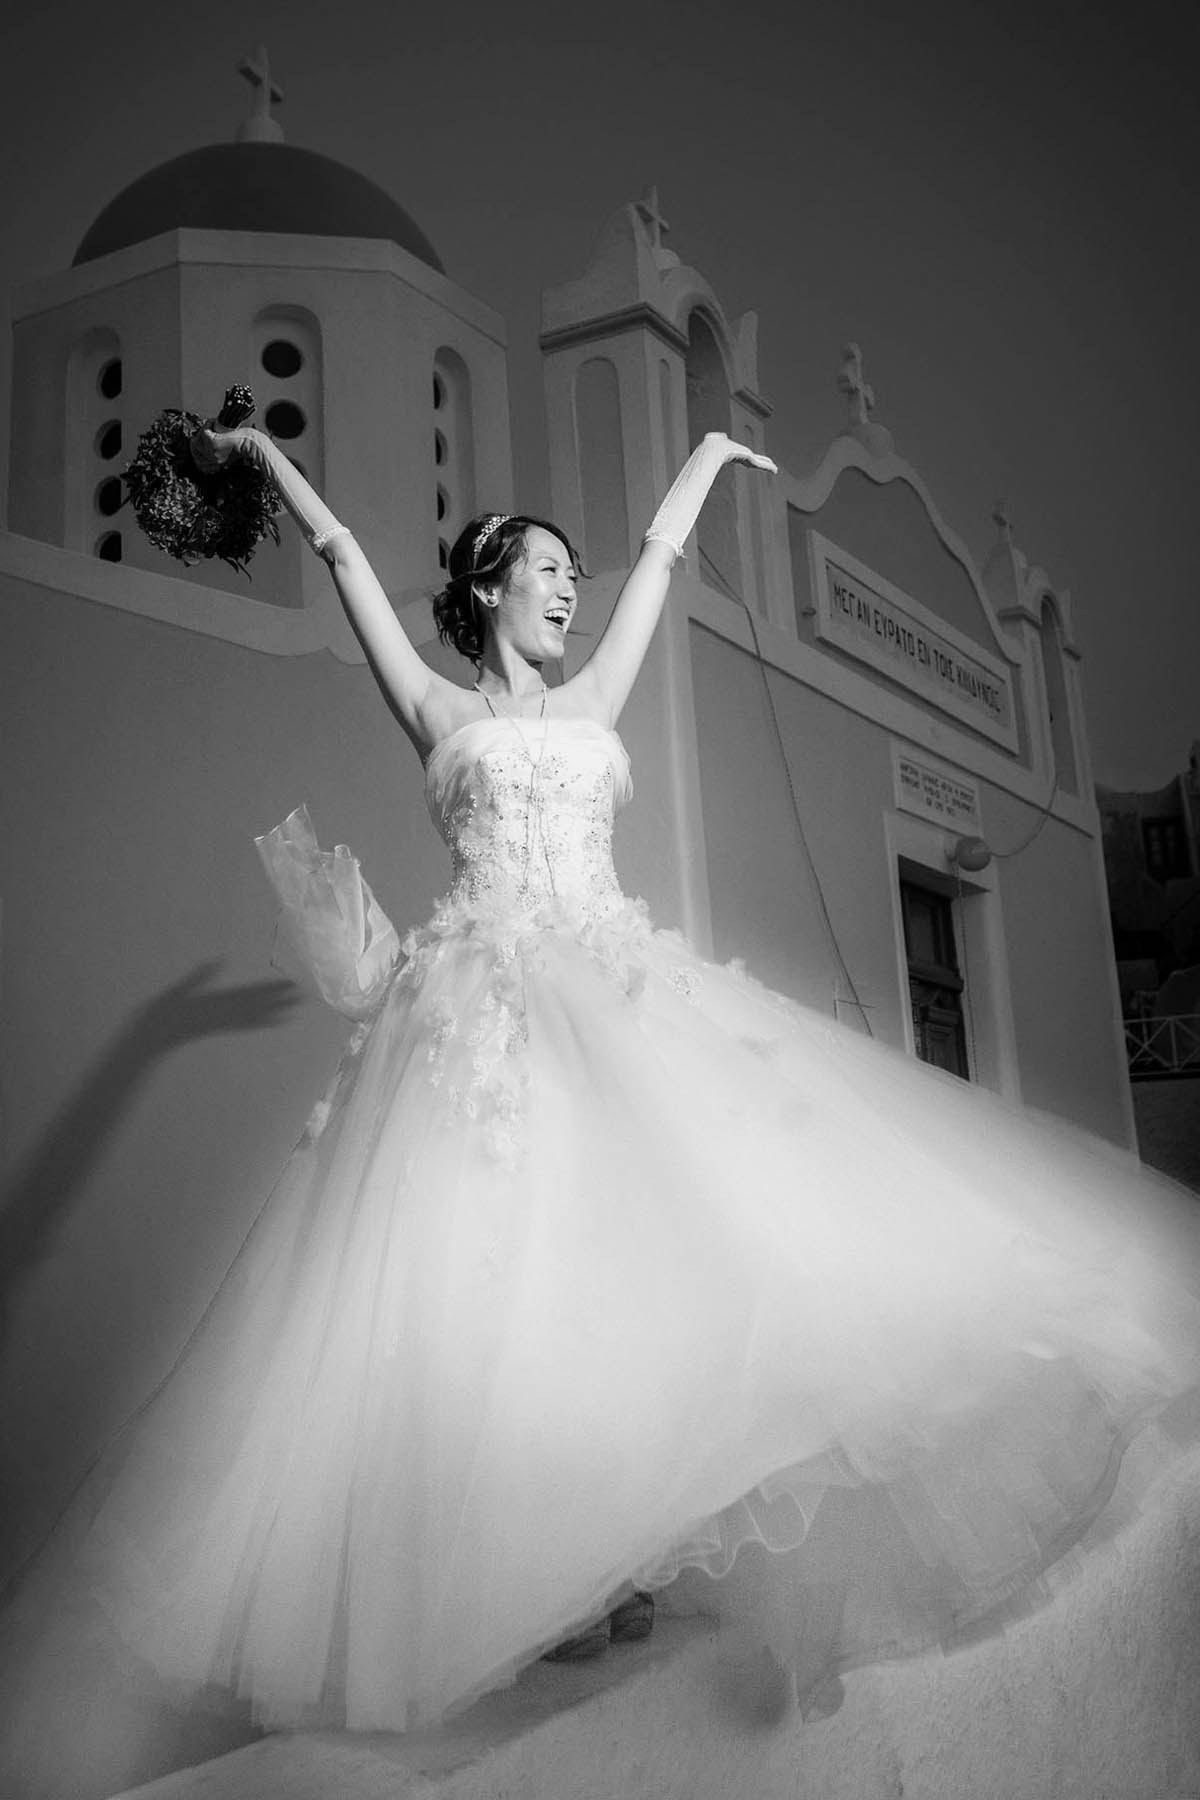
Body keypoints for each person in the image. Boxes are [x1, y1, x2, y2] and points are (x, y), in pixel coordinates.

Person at [26, 425, 1200, 1740]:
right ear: (487, 587)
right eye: (543, 567)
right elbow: (343, 555)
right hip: (474, 1016)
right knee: (497, 1294)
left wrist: (702, 463)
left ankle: (627, 1559)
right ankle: (537, 1589)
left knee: (649, 1263)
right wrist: (260, 455)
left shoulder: (592, 702)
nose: (565, 588)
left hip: (613, 993)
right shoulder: (437, 708)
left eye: (570, 572)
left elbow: (655, 568)